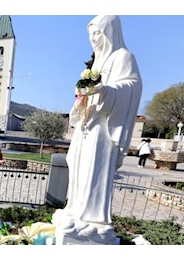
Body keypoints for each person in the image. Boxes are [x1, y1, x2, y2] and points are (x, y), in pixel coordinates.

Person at [52, 15, 142, 243]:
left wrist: (105, 92)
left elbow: (131, 87)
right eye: (91, 34)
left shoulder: (124, 57)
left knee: (94, 171)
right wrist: (82, 97)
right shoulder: (98, 62)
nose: (93, 39)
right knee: (78, 166)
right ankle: (74, 209)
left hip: (103, 131)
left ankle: (92, 219)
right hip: (87, 126)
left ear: (110, 32)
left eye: (97, 33)